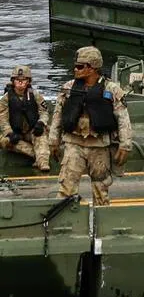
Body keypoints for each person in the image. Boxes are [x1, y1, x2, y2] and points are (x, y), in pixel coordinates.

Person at [46, 46, 132, 206]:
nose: (75, 69)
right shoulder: (69, 88)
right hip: (73, 143)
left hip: (99, 145)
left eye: (80, 67)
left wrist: (125, 145)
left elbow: (123, 118)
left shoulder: (111, 89)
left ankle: (102, 217)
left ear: (92, 68)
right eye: (75, 66)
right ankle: (65, 219)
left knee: (100, 189)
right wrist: (53, 141)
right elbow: (57, 115)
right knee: (66, 187)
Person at [0, 65, 51, 172]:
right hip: (15, 132)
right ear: (13, 81)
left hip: (32, 129)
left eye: (23, 80)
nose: (20, 83)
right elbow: (3, 118)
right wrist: (9, 133)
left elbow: (44, 112)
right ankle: (37, 155)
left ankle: (43, 163)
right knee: (5, 142)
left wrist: (41, 123)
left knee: (41, 135)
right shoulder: (5, 99)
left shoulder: (35, 95)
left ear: (28, 81)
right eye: (17, 80)